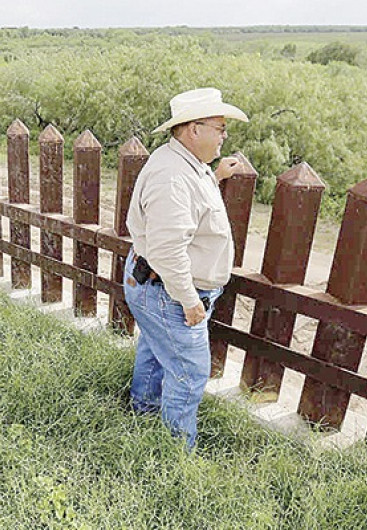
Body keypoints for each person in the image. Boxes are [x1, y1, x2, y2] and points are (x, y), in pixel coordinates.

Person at [124, 87, 248, 449]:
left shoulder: (180, 164)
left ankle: (143, 412)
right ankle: (176, 450)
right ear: (194, 129)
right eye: (220, 128)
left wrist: (214, 176)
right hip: (169, 292)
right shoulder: (173, 177)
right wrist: (190, 301)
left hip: (156, 287)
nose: (224, 136)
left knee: (155, 351)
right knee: (189, 372)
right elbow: (167, 248)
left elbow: (184, 207)